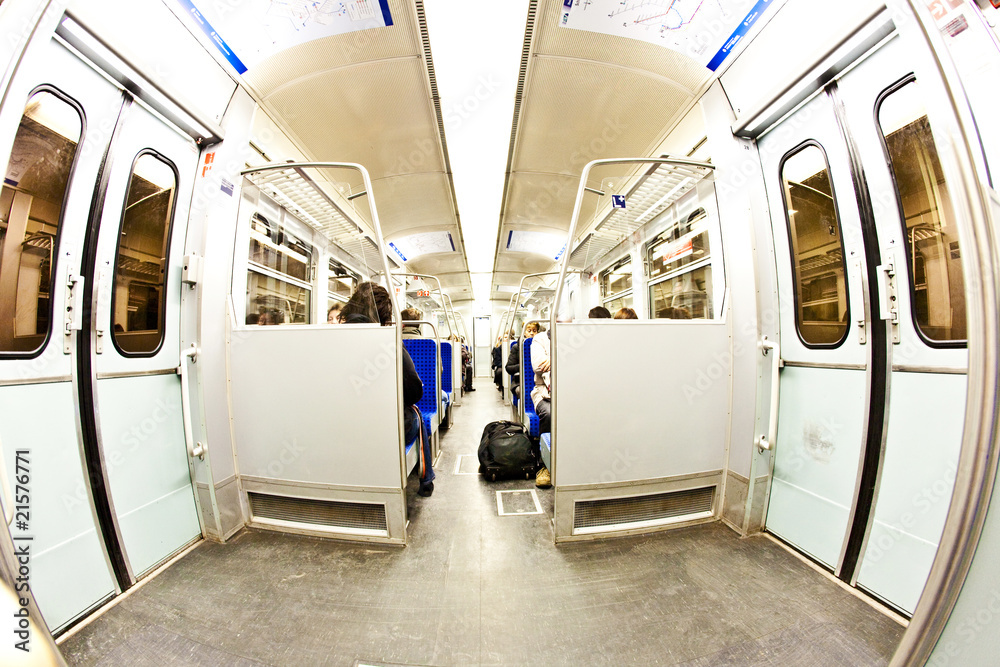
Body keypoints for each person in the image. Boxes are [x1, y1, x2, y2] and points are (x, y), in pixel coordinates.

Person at [340, 282, 434, 496]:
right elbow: (414, 391)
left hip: (344, 422)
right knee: (415, 414)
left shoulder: (333, 337)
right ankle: (426, 480)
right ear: (384, 312)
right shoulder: (388, 342)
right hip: (384, 426)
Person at [529, 325, 552, 488]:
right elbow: (539, 365)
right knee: (550, 414)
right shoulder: (540, 339)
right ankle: (545, 465)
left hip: (571, 390)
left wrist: (554, 358)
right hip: (544, 392)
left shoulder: (575, 337)